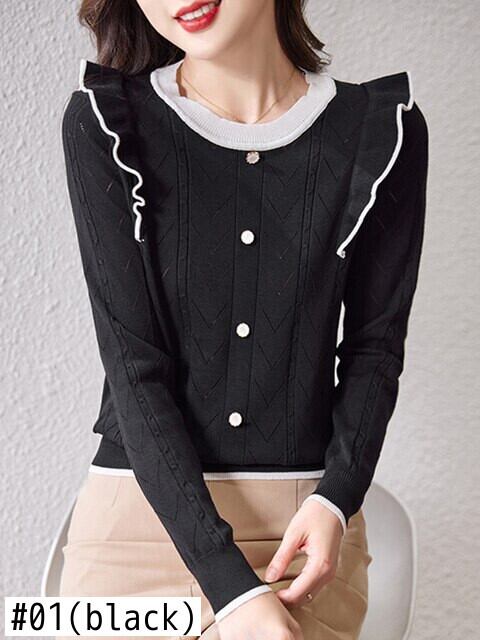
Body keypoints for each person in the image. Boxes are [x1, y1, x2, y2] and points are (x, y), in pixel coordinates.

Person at [52, 1, 428, 638]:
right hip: (135, 536)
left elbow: (375, 348)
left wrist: (337, 498)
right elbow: (133, 369)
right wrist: (231, 589)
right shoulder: (106, 122)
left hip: (303, 540)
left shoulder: (383, 127)